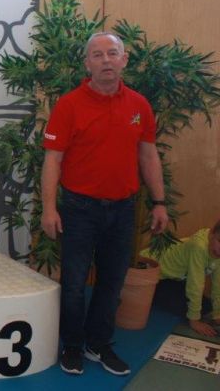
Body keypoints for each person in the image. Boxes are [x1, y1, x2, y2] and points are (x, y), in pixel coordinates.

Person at [41, 32, 168, 376]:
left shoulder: (139, 105)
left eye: (112, 53)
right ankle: (71, 345)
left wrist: (159, 202)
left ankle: (97, 344)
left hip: (124, 209)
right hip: (79, 209)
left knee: (112, 283)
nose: (106, 60)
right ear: (87, 64)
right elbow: (53, 160)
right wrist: (49, 208)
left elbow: (148, 155)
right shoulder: (69, 105)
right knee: (73, 283)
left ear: (124, 59)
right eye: (97, 55)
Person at [141, 220, 220, 337]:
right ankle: (148, 297)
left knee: (206, 307)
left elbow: (218, 285)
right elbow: (195, 285)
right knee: (189, 309)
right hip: (153, 274)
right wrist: (194, 321)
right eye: (219, 241)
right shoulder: (199, 247)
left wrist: (217, 314)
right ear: (212, 233)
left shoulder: (216, 250)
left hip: (173, 279)